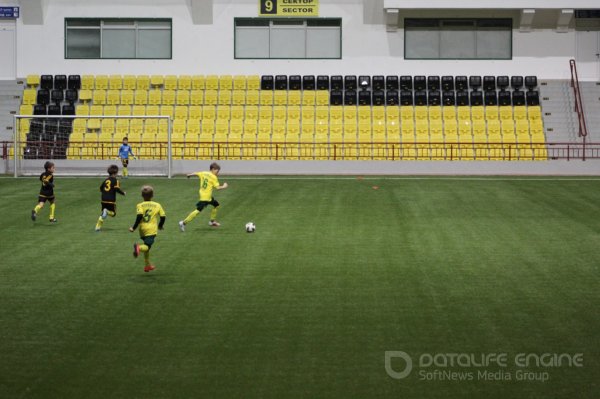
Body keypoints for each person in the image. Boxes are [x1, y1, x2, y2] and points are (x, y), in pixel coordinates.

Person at [178, 162, 228, 232]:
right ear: (213, 169)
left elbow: (196, 173)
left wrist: (190, 174)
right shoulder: (214, 177)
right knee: (198, 211)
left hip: (206, 196)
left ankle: (212, 221)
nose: (217, 173)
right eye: (217, 171)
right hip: (206, 198)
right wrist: (224, 186)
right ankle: (183, 223)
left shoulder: (204, 173)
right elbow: (218, 188)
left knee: (216, 205)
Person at [129, 185, 165, 273]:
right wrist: (160, 225)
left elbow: (139, 216)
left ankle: (147, 266)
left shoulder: (140, 205)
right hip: (151, 230)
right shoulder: (157, 205)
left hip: (142, 230)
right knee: (147, 246)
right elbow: (163, 217)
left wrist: (133, 227)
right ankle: (138, 248)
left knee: (147, 245)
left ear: (142, 195)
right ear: (152, 195)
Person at [95, 164, 126, 232]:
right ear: (116, 173)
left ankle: (97, 227)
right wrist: (123, 193)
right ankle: (107, 211)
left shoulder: (105, 180)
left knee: (103, 213)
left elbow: (100, 189)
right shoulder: (115, 180)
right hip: (111, 200)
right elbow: (117, 189)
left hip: (103, 199)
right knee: (113, 213)